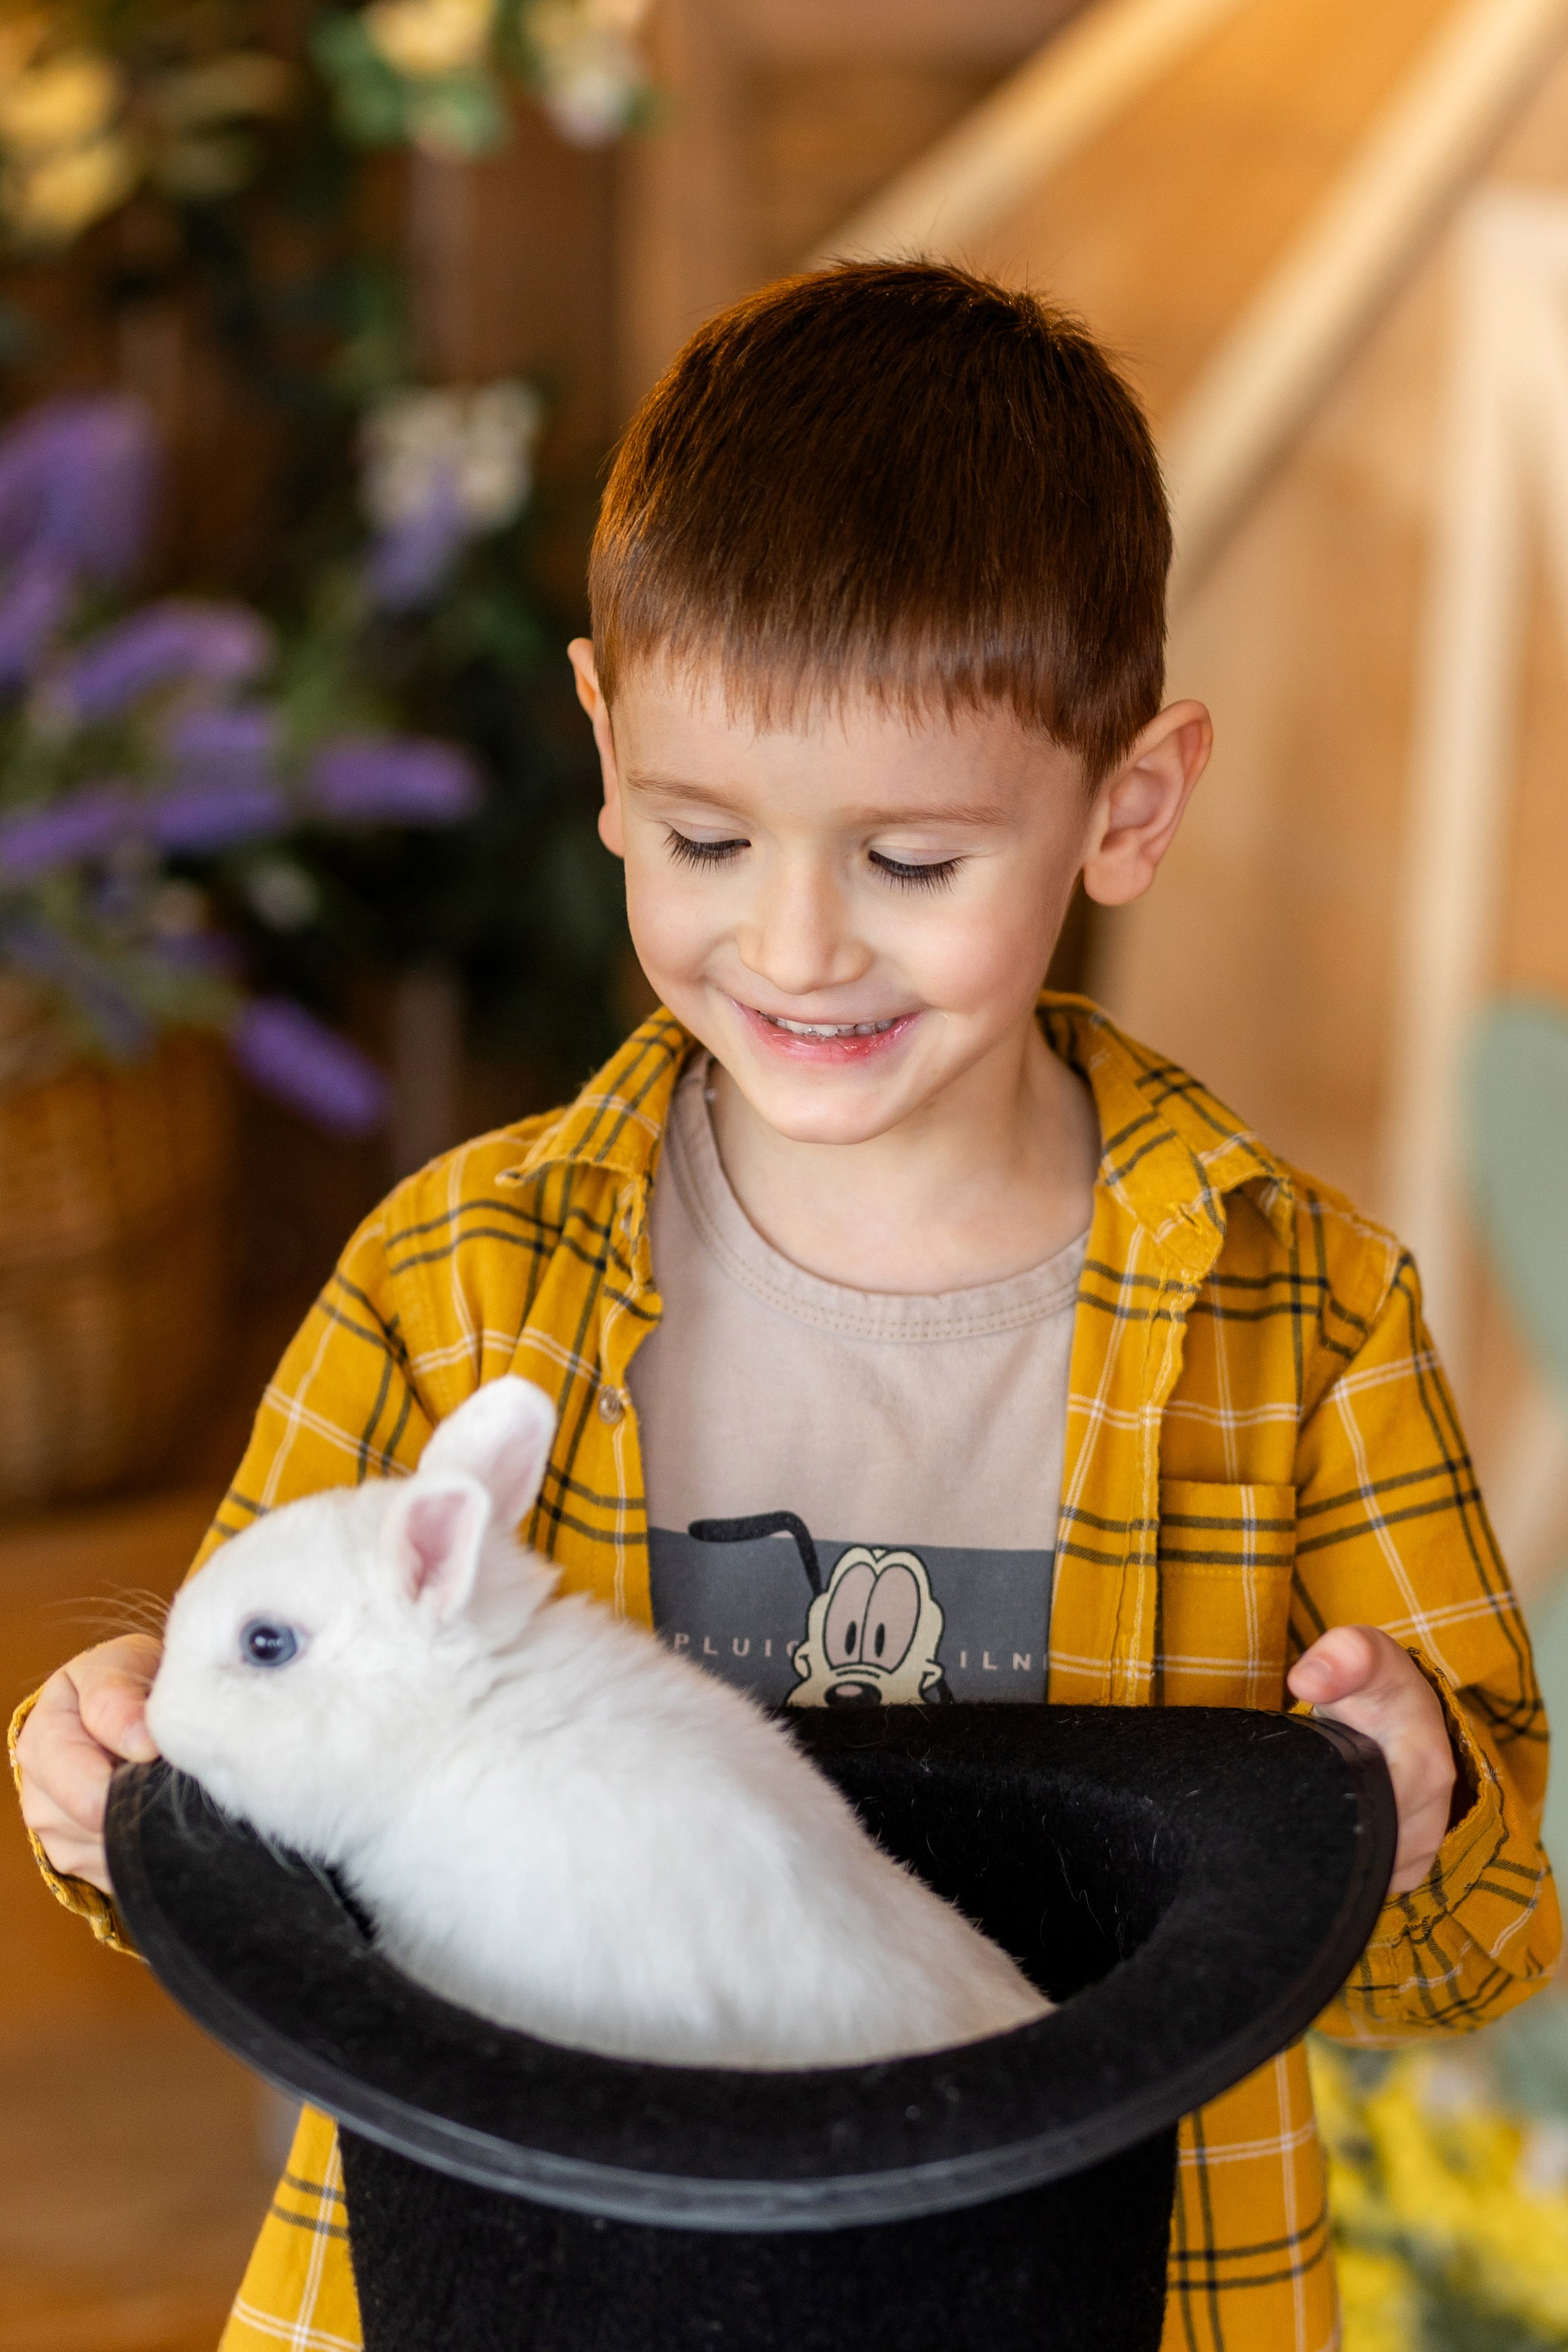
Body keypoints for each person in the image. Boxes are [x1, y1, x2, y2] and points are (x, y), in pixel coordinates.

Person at [11, 261, 1557, 2352]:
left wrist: (1410, 1804)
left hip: (1077, 2282)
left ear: (1128, 803)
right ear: (602, 746)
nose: (795, 941)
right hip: (513, 2282)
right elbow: (250, 1807)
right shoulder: (455, 1277)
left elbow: (1466, 1952)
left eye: (910, 860)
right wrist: (115, 1777)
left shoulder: (1297, 1315)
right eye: (706, 833)